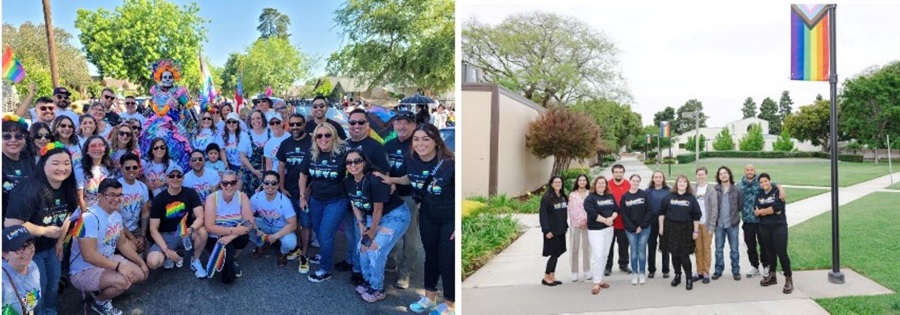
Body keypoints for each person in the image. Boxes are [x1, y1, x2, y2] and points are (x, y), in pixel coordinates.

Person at [376, 124, 455, 314]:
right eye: (417, 139)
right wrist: (392, 181)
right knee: (431, 258)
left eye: (426, 139)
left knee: (447, 260)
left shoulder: (450, 164)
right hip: (428, 214)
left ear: (436, 141)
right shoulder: (410, 159)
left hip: (449, 218)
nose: (420, 143)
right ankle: (429, 298)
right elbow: (410, 178)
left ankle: (450, 305)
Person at [5, 142, 79, 315]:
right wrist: (43, 231)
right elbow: (11, 223)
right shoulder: (28, 190)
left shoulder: (68, 187)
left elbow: (67, 215)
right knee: (39, 286)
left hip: (52, 248)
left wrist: (60, 241)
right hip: (29, 250)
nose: (62, 168)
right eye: (55, 163)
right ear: (43, 164)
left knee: (53, 282)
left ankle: (51, 310)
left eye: (66, 163)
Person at [68, 179, 148, 315]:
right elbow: (89, 255)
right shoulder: (88, 217)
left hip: (106, 260)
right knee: (125, 280)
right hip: (82, 270)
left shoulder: (116, 216)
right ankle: (99, 302)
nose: (116, 199)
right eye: (111, 194)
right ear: (99, 196)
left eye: (119, 195)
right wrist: (118, 266)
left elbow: (122, 244)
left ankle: (101, 286)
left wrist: (141, 262)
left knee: (140, 274)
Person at [343, 150, 411, 303]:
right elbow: (355, 203)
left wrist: (372, 231)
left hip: (394, 216)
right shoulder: (348, 182)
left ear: (364, 162)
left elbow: (378, 208)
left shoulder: (374, 179)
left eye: (357, 161)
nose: (353, 165)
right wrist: (361, 225)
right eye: (349, 162)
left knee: (375, 248)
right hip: (370, 217)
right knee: (362, 247)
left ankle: (377, 289)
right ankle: (368, 282)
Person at [340, 109, 390, 282]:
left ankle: (359, 270)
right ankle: (351, 260)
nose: (356, 126)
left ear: (367, 125)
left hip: (365, 200)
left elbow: (384, 173)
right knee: (350, 232)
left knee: (359, 231)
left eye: (361, 122)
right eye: (352, 122)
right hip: (348, 195)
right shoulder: (344, 144)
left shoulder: (375, 146)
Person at [299, 123, 348, 283]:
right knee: (319, 232)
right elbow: (303, 175)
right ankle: (325, 255)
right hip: (316, 199)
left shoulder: (343, 153)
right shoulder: (312, 153)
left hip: (337, 200)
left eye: (327, 135)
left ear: (334, 136)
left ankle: (325, 269)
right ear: (315, 138)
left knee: (325, 234)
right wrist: (302, 196)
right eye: (319, 136)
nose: (323, 139)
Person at [146, 164, 208, 279]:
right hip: (166, 235)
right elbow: (153, 229)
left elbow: (200, 216)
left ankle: (195, 260)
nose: (175, 178)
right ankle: (170, 254)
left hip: (186, 232)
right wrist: (166, 250)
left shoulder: (190, 193)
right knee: (153, 262)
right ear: (167, 178)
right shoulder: (159, 199)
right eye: (172, 176)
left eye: (179, 175)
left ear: (183, 177)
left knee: (202, 232)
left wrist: (191, 228)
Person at [383, 110, 422, 289]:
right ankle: (391, 261)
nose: (402, 126)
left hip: (410, 196)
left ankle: (405, 272)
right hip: (391, 196)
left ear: (414, 126)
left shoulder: (418, 145)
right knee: (389, 230)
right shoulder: (388, 145)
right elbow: (384, 168)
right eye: (398, 122)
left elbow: (416, 174)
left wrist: (393, 180)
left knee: (409, 235)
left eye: (406, 122)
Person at [274, 114, 312, 273]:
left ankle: (304, 254)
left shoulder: (312, 142)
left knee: (306, 223)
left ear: (304, 125)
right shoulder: (285, 143)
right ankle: (296, 248)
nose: (295, 127)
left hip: (307, 191)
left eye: (298, 124)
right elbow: (281, 167)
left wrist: (310, 189)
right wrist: (281, 187)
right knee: (293, 222)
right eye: (292, 124)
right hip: (289, 190)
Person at [203, 171, 254, 284]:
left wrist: (231, 236)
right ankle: (226, 259)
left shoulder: (242, 196)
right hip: (215, 236)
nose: (229, 186)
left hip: (233, 235)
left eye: (232, 182)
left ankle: (230, 259)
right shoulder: (212, 198)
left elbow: (249, 222)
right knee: (227, 278)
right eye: (225, 183)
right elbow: (209, 226)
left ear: (236, 184)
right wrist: (233, 230)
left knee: (243, 238)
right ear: (221, 184)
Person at [737, 164, 786, 279]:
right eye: (747, 170)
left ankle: (766, 265)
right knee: (750, 245)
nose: (750, 172)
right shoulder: (739, 185)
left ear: (755, 171)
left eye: (752, 170)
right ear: (744, 171)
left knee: (764, 245)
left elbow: (774, 184)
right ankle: (754, 266)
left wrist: (781, 189)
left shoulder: (760, 182)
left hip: (761, 221)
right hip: (747, 220)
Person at [659, 175, 702, 291]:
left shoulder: (691, 198)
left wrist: (696, 230)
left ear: (687, 184)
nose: (682, 183)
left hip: (686, 229)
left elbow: (696, 216)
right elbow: (661, 213)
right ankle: (677, 275)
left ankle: (688, 277)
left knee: (684, 255)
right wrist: (661, 228)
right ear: (676, 184)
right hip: (671, 228)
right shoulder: (669, 197)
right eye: (680, 181)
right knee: (674, 254)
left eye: (684, 182)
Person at [755, 173, 793, 294]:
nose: (763, 184)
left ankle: (789, 279)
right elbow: (755, 210)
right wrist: (766, 211)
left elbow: (778, 207)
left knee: (781, 253)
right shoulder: (759, 194)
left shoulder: (778, 192)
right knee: (770, 251)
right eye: (761, 182)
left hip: (779, 227)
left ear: (770, 181)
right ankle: (773, 276)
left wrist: (763, 211)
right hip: (764, 227)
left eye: (765, 181)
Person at [250, 171, 297, 266]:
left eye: (273, 183)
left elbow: (293, 225)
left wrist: (275, 236)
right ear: (262, 184)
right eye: (266, 183)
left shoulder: (284, 201)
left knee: (291, 243)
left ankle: (283, 253)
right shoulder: (256, 197)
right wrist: (257, 230)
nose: (270, 186)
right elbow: (248, 216)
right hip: (264, 224)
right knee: (245, 225)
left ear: (278, 185)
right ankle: (261, 245)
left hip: (281, 228)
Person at [707, 166, 743, 282]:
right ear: (718, 176)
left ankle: (736, 270)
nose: (723, 175)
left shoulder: (736, 189)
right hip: (719, 225)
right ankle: (718, 270)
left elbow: (740, 205)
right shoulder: (714, 189)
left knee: (734, 249)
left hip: (732, 224)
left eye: (725, 173)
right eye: (721, 173)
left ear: (729, 174)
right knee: (718, 249)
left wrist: (734, 217)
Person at [583, 176, 616, 295]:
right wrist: (605, 220)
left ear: (606, 185)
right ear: (595, 185)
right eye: (599, 183)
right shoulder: (590, 198)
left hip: (609, 230)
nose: (601, 185)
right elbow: (591, 213)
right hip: (596, 231)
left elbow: (616, 209)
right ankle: (596, 283)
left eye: (603, 183)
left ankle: (600, 279)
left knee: (605, 255)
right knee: (597, 255)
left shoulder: (610, 196)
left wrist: (611, 218)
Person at [620, 174, 653, 285]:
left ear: (640, 182)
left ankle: (642, 273)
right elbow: (624, 215)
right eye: (633, 181)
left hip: (644, 229)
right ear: (629, 181)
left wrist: (642, 226)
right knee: (634, 251)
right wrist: (632, 228)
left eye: (637, 181)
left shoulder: (644, 194)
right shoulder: (625, 197)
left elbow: (650, 211)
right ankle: (634, 273)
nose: (635, 183)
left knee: (642, 251)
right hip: (630, 230)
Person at [2, 225, 41, 315]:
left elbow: (31, 305)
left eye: (30, 245)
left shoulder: (32, 266)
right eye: (19, 249)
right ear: (5, 254)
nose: (27, 252)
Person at [117, 153, 150, 255]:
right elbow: (115, 217)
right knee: (137, 257)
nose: (131, 170)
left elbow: (145, 213)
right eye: (127, 168)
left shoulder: (142, 187)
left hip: (136, 229)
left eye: (135, 167)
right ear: (122, 169)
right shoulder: (116, 187)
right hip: (120, 230)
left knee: (150, 257)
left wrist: (142, 236)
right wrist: (132, 238)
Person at [2, 115, 35, 218]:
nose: (13, 140)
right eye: (7, 136)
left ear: (25, 139)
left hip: (27, 221)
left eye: (18, 136)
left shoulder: (29, 160)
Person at [539, 176, 568, 286]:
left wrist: (565, 226)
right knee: (554, 253)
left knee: (559, 252)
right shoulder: (547, 197)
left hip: (561, 230)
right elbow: (543, 215)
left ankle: (552, 275)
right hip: (552, 231)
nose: (557, 184)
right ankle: (546, 277)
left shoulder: (562, 196)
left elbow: (563, 214)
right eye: (555, 182)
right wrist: (546, 230)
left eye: (559, 182)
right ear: (551, 184)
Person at [75, 135, 114, 214]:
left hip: (104, 210)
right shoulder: (79, 169)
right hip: (87, 212)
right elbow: (80, 198)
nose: (97, 148)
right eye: (93, 146)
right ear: (87, 150)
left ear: (105, 149)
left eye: (101, 145)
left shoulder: (108, 167)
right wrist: (87, 217)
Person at [605, 164, 631, 276]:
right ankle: (608, 266)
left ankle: (623, 264)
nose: (618, 174)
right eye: (616, 172)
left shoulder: (628, 184)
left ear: (623, 173)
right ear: (613, 173)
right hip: (609, 222)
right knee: (608, 246)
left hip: (624, 222)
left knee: (624, 246)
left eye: (620, 172)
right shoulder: (607, 185)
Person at [566, 174, 591, 282]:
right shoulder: (572, 195)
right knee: (574, 248)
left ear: (586, 182)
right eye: (580, 180)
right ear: (577, 182)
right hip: (575, 225)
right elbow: (571, 210)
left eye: (584, 180)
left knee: (586, 249)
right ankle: (574, 272)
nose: (582, 182)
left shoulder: (590, 194)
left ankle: (587, 270)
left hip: (588, 225)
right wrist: (577, 223)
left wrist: (586, 222)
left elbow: (592, 209)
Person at [646, 171, 671, 279]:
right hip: (651, 222)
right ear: (653, 179)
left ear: (663, 179)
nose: (658, 179)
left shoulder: (668, 191)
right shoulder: (647, 191)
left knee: (665, 247)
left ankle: (666, 270)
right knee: (651, 246)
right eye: (656, 177)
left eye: (660, 177)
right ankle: (651, 270)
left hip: (665, 222)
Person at [240, 110, 270, 196]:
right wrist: (254, 171)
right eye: (253, 119)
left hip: (268, 172)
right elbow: (243, 156)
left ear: (263, 119)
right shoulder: (246, 135)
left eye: (258, 118)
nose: (255, 121)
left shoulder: (270, 132)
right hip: (251, 173)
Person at [692, 167, 714, 284]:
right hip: (696, 224)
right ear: (696, 176)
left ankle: (706, 271)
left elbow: (715, 209)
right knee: (698, 249)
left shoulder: (711, 190)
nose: (701, 176)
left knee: (706, 248)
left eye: (702, 174)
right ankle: (699, 271)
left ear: (706, 175)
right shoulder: (693, 189)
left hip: (707, 224)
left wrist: (712, 226)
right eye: (699, 174)